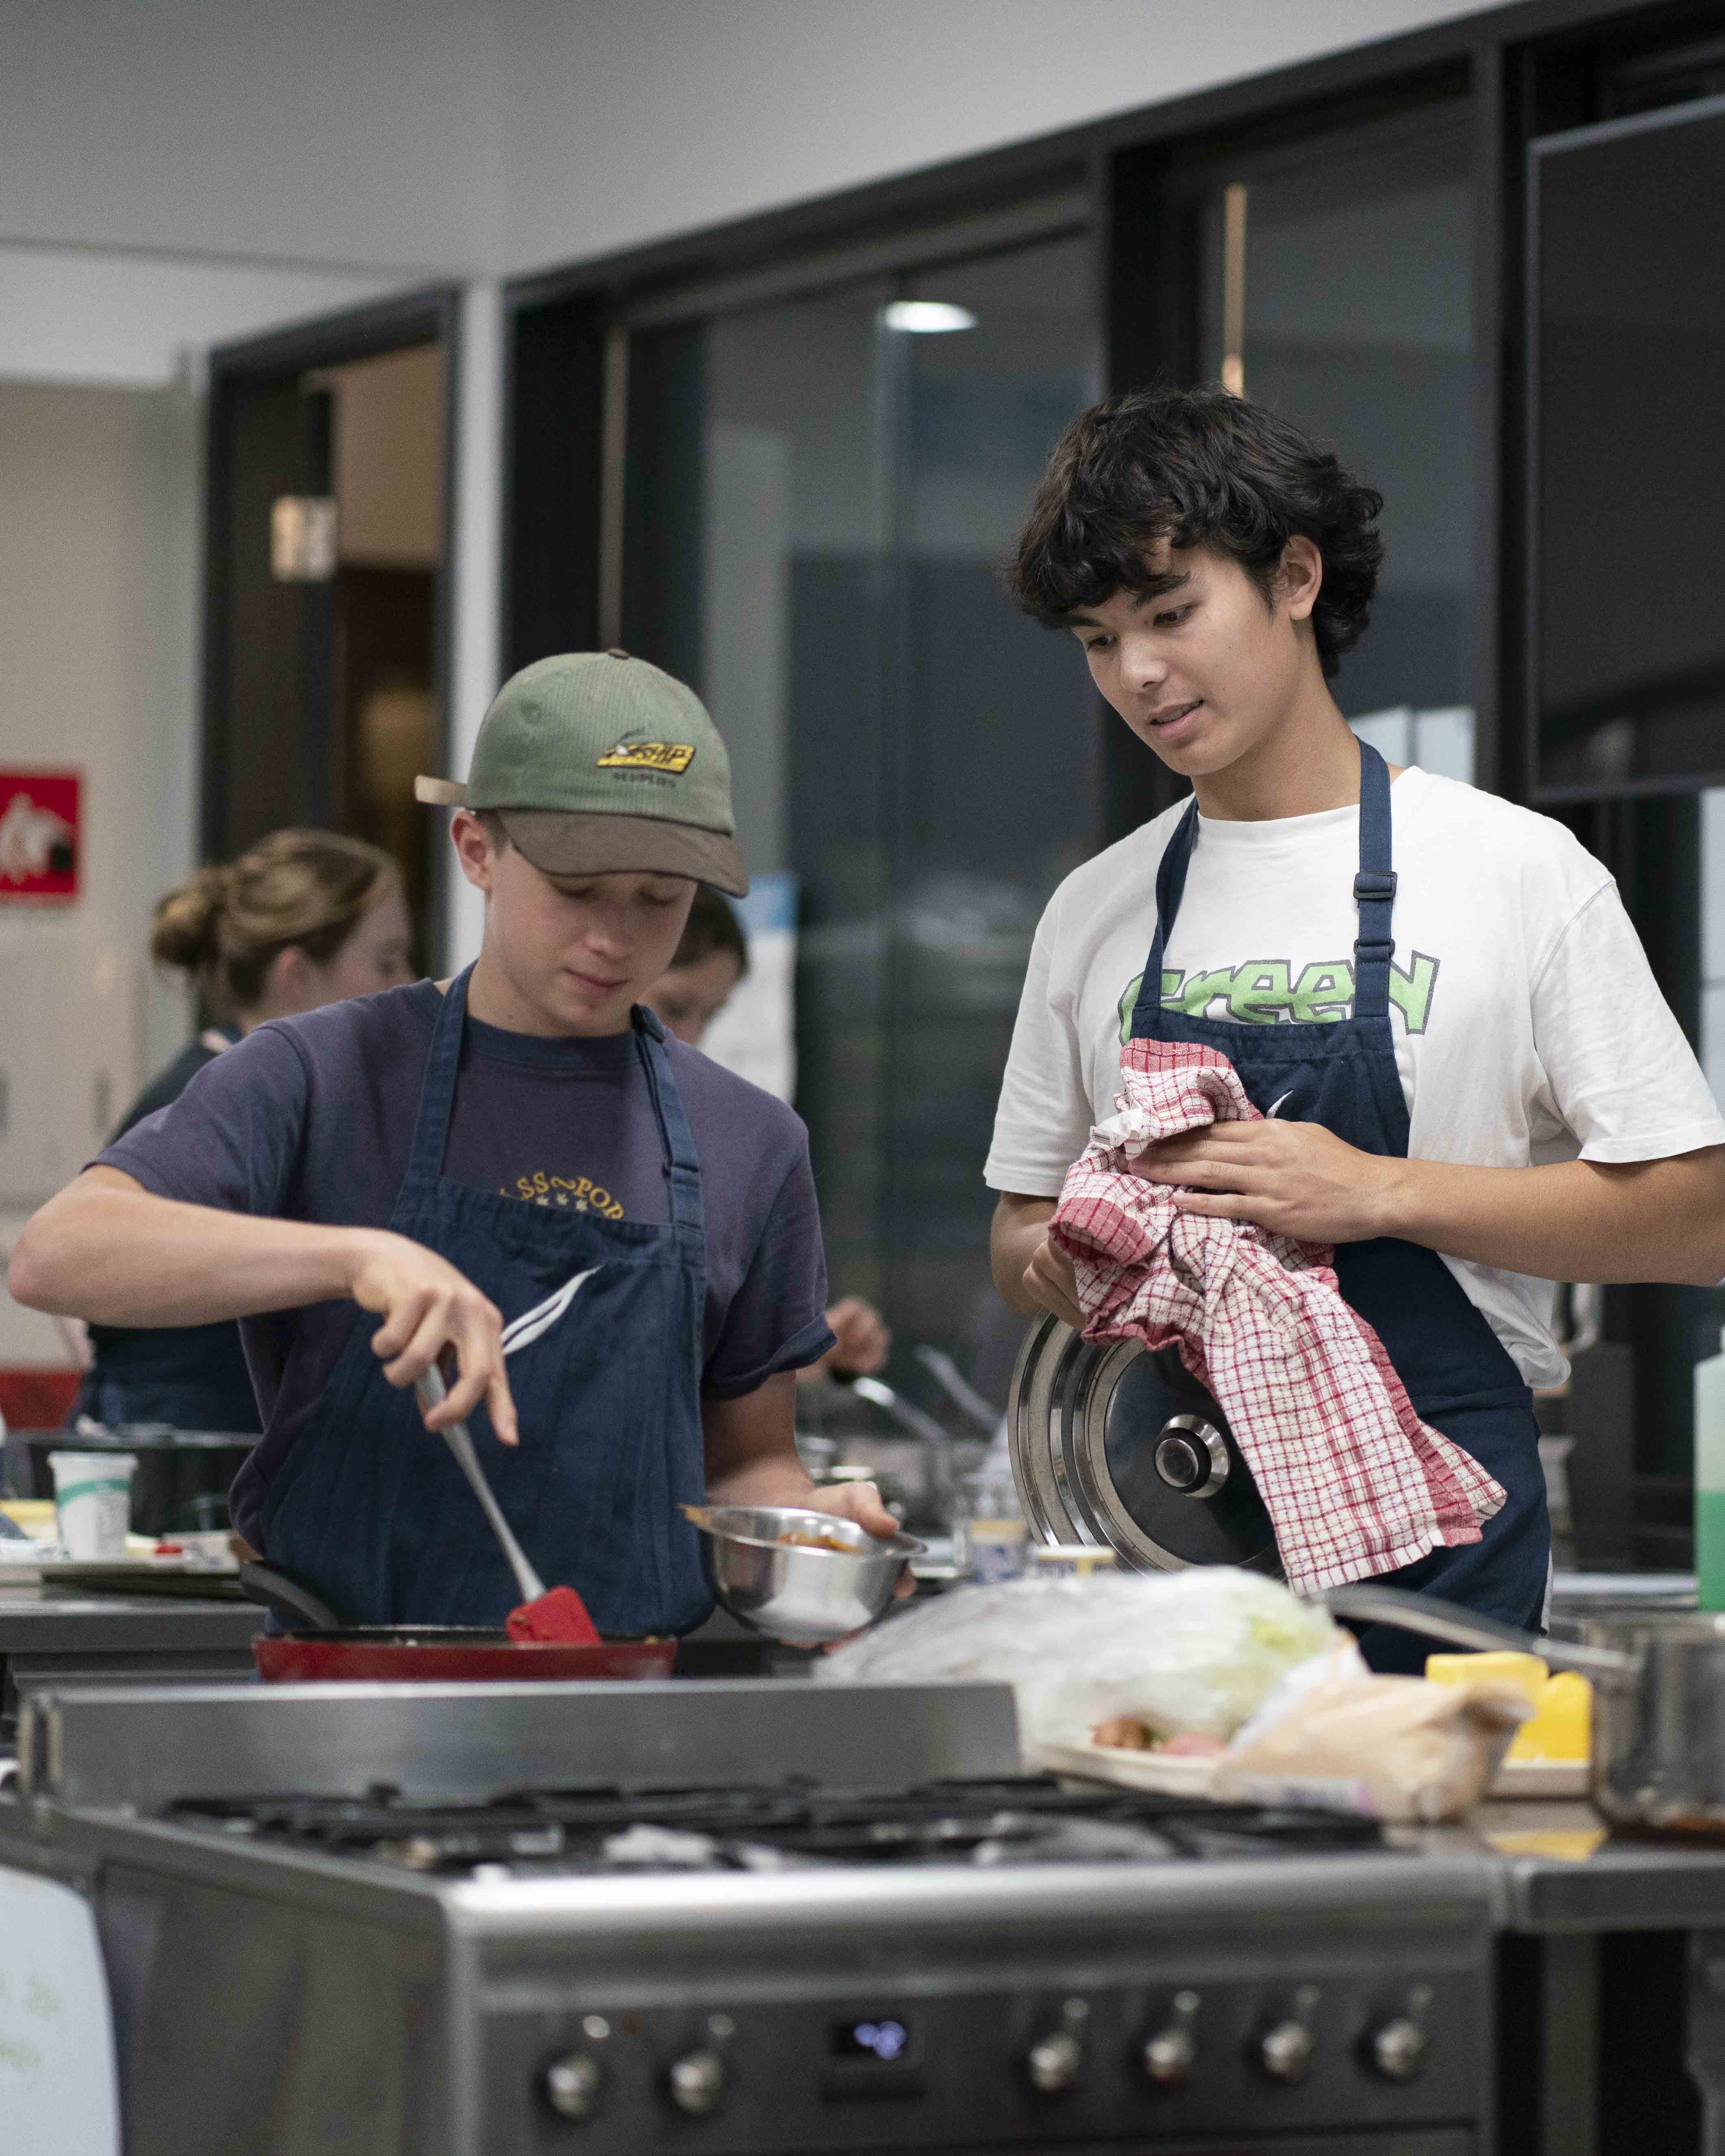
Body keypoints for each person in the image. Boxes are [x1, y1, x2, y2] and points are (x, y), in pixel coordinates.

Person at [985, 385, 1725, 1671]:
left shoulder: (1512, 869)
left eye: (1170, 614)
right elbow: (1011, 1229)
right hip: (1172, 1531)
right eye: (1100, 641)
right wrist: (1080, 1250)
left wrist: (1373, 1192)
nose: (1140, 674)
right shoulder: (1096, 908)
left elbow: (1695, 1215)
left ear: (1295, 577)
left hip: (1439, 1539)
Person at [11, 652, 895, 1633]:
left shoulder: (753, 1140)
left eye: (660, 896)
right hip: (343, 1699)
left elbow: (746, 1459)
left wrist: (809, 1523)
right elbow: (59, 1254)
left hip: (630, 1712)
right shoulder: (324, 1072)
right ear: (476, 847)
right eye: (578, 885)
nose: (616, 935)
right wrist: (357, 1255)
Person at [75, 829, 415, 1434]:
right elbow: (73, 1257)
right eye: (386, 961)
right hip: (174, 1462)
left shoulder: (309, 1104)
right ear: (296, 978)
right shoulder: (216, 1100)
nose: (409, 982)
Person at [642, 886, 891, 1383]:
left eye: (710, 1016)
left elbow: (708, 1364)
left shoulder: (717, 1139)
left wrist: (810, 1353)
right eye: (675, 1006)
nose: (690, 1038)